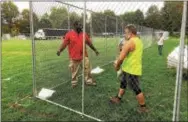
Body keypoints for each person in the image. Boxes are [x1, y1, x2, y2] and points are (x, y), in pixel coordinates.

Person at [110, 24, 148, 113]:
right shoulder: (138, 40)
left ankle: (143, 108)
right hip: (128, 68)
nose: (124, 34)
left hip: (132, 70)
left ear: (130, 33)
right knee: (123, 84)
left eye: (126, 32)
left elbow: (121, 57)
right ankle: (118, 98)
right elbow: (128, 53)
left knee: (136, 89)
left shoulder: (130, 42)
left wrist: (117, 66)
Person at [57, 21, 99, 88]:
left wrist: (95, 50)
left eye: (81, 25)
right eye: (80, 25)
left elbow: (89, 43)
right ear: (75, 26)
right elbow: (64, 44)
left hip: (84, 56)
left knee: (87, 69)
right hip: (74, 57)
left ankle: (88, 81)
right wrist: (59, 50)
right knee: (74, 71)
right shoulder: (69, 34)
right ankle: (74, 83)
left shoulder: (84, 34)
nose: (81, 27)